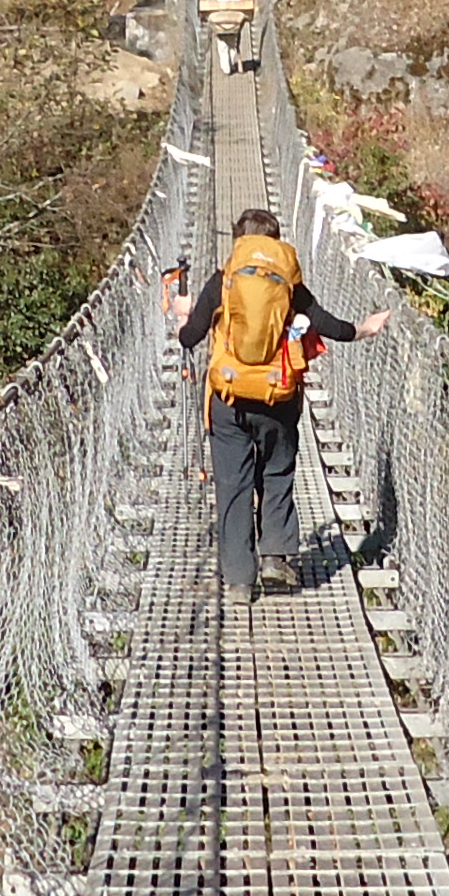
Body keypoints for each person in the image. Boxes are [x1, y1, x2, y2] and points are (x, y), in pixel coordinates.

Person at [170, 205, 392, 600]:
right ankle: (274, 556)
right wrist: (365, 328)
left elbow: (190, 338)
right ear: (276, 244)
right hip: (279, 394)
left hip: (229, 396)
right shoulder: (287, 282)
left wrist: (182, 318)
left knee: (233, 485)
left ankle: (239, 580)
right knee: (276, 472)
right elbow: (331, 326)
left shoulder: (223, 280)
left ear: (238, 240)